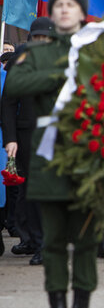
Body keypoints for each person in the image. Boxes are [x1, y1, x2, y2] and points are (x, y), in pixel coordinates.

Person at [5, 0, 99, 308]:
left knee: (87, 240)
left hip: (87, 154)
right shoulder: (33, 53)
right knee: (54, 241)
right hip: (48, 155)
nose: (63, 10)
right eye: (58, 4)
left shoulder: (94, 52)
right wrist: (63, 75)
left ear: (80, 12)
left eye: (70, 5)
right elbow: (15, 86)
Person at [2, 17, 53, 266]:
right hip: (26, 136)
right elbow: (9, 103)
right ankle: (39, 242)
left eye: (46, 38)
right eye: (38, 38)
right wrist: (10, 139)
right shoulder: (20, 60)